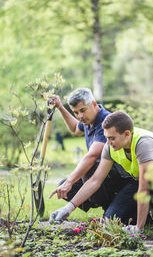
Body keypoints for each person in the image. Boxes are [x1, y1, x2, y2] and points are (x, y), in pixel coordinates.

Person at [49, 111, 153, 232]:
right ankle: (146, 220)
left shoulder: (143, 144)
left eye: (112, 138)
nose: (108, 143)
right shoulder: (109, 147)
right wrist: (68, 209)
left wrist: (138, 229)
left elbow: (144, 188)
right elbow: (95, 180)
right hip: (138, 181)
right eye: (106, 137)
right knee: (111, 219)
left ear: (127, 134)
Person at [49, 89, 137, 224]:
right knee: (66, 188)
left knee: (87, 170)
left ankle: (114, 207)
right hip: (102, 177)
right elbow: (74, 129)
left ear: (94, 104)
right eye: (76, 112)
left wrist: (70, 181)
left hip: (118, 177)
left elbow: (92, 156)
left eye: (82, 110)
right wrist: (60, 107)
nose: (80, 116)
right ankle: (108, 207)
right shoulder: (87, 121)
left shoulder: (106, 122)